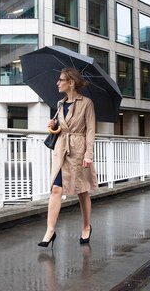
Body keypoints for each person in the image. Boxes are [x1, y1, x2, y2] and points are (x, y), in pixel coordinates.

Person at [38, 68, 97, 248]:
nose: (57, 83)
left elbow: (90, 131)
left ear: (70, 82)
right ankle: (50, 230)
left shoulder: (87, 103)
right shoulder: (60, 103)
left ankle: (86, 227)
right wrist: (53, 125)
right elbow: (61, 126)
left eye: (61, 80)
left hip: (78, 150)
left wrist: (89, 155)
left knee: (82, 190)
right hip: (61, 149)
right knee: (56, 188)